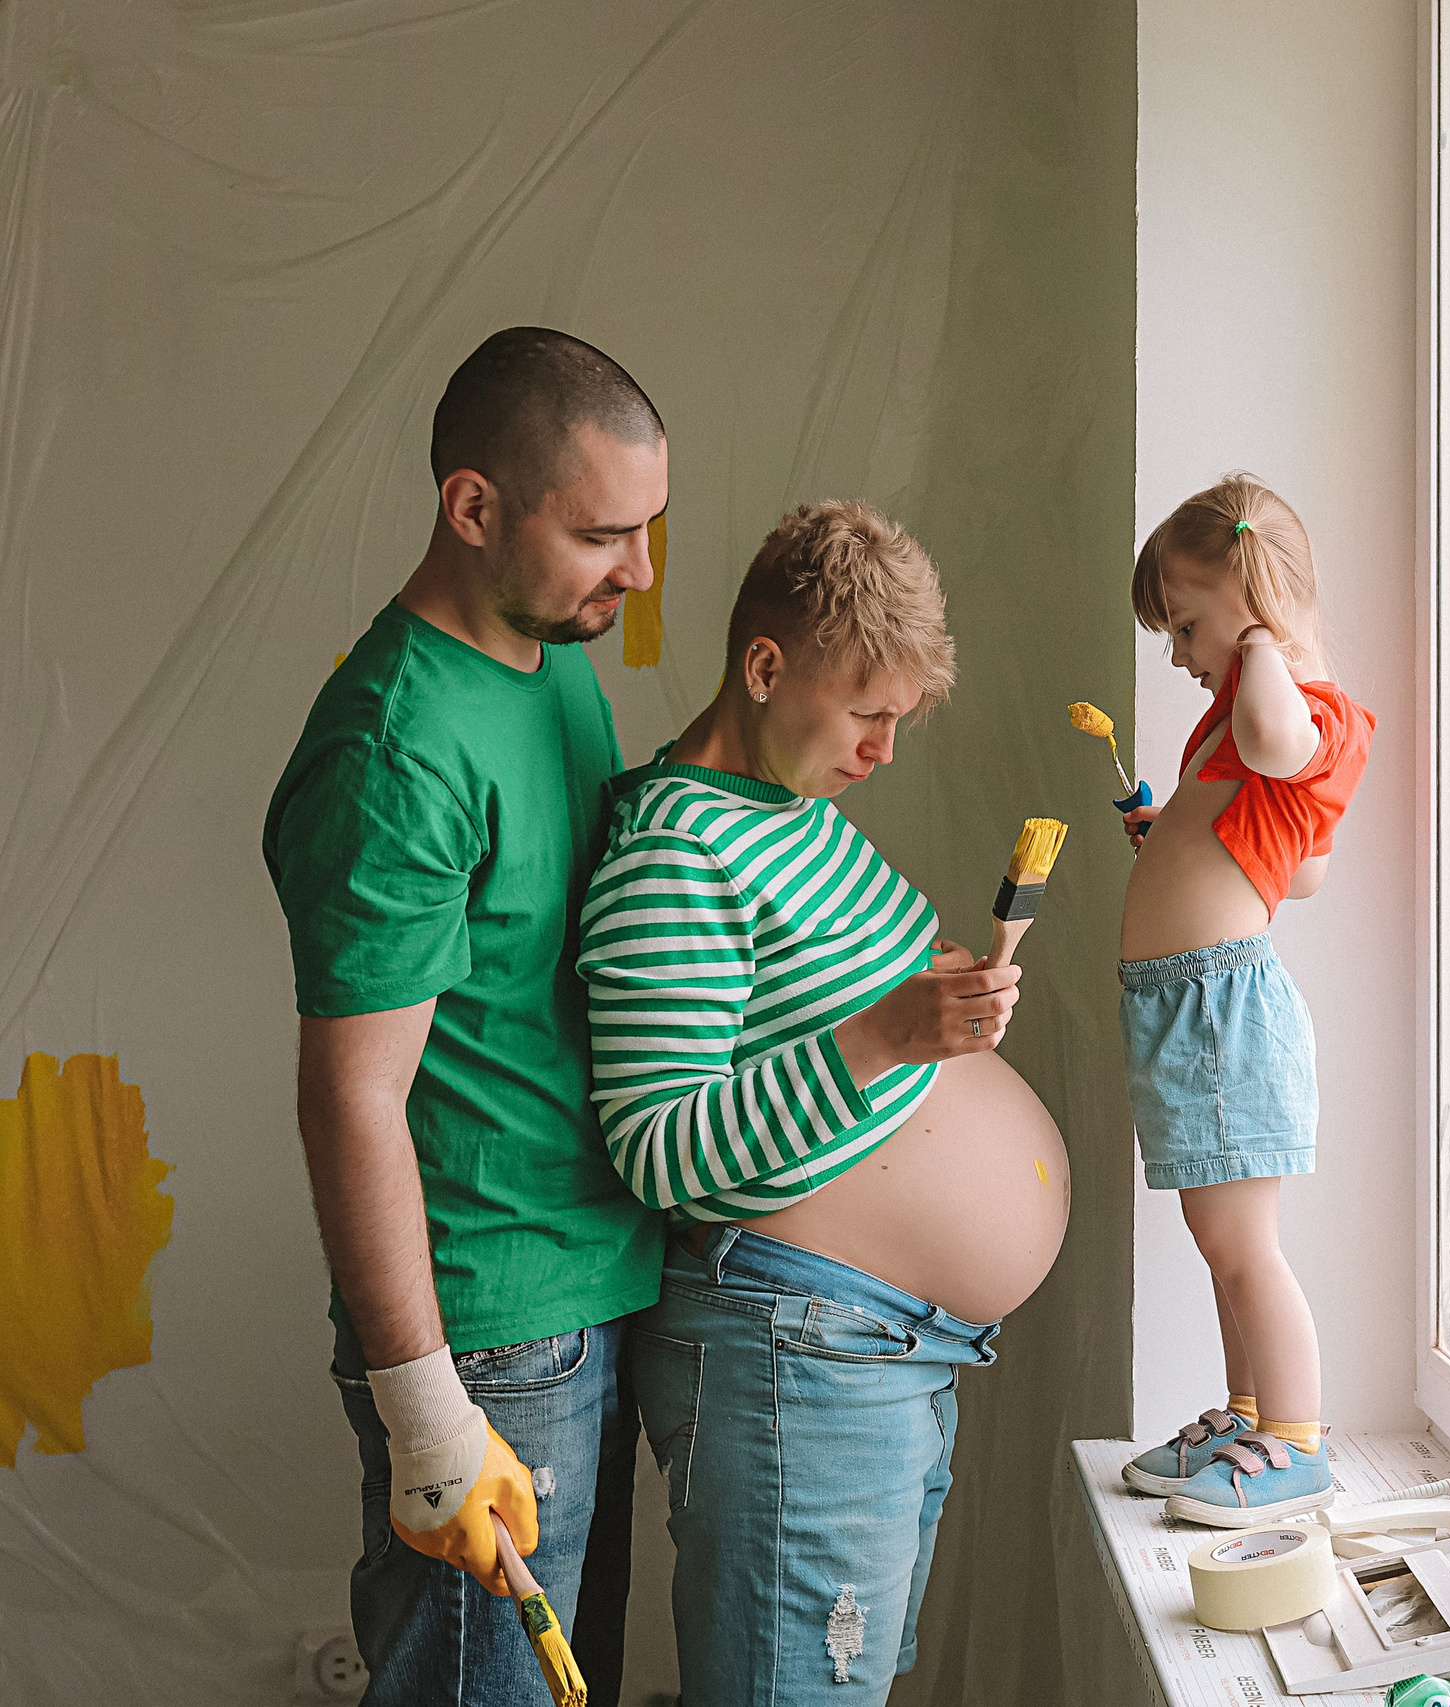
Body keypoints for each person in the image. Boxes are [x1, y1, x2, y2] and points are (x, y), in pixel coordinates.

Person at [577, 500, 1071, 1706]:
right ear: (764, 666)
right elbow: (658, 1147)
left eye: (900, 720)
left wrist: (932, 995)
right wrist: (890, 1031)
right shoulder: (675, 853)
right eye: (866, 714)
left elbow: (824, 1022)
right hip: (795, 1357)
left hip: (874, 1353)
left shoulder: (790, 817)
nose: (883, 752)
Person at [263, 328, 668, 1703]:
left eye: (650, 527)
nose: (642, 571)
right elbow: (350, 1093)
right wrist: (426, 1408)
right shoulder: (394, 743)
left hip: (594, 1278)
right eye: (606, 533)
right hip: (489, 1335)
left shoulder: (550, 660)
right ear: (475, 506)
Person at [1114, 475, 1377, 1524]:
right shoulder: (1246, 712)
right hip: (1184, 1005)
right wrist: (1174, 832)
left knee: (1243, 1244)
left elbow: (1278, 750)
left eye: (1187, 626)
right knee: (1216, 1241)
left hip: (1221, 1010)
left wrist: (1263, 646)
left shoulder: (1306, 711)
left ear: (1251, 593)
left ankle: (1296, 1442)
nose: (1181, 656)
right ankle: (1247, 1412)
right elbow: (1295, 867)